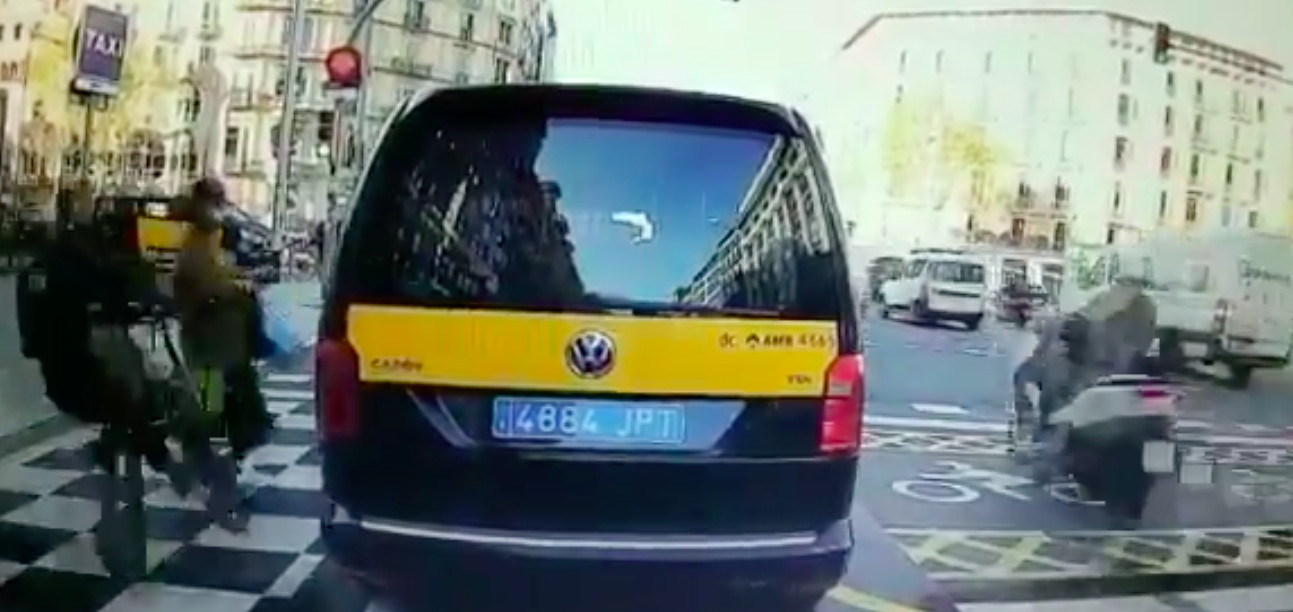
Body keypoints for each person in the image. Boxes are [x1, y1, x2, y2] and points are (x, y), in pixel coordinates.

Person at [172, 177, 274, 463]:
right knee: (211, 400)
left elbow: (219, 276)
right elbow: (205, 286)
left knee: (224, 394)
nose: (220, 209)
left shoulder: (208, 241)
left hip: (220, 339)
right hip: (206, 337)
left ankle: (215, 445)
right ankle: (197, 445)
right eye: (216, 202)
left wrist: (240, 282)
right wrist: (236, 288)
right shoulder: (196, 245)